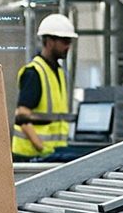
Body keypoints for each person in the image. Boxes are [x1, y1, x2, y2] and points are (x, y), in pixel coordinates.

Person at [14, 13, 78, 162]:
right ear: (49, 42)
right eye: (64, 42)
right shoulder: (34, 73)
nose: (68, 46)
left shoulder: (59, 72)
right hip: (31, 155)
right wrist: (41, 148)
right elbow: (22, 117)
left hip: (53, 152)